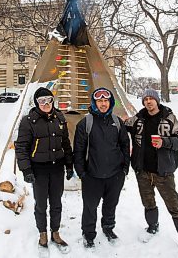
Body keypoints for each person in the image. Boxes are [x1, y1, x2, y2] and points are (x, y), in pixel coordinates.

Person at [124, 88, 178, 249]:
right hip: (142, 171)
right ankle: (152, 226)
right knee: (148, 202)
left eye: (151, 98)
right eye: (145, 99)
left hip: (163, 171)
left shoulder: (169, 117)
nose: (148, 101)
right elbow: (123, 125)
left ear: (157, 100)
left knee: (174, 207)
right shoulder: (139, 119)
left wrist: (165, 142)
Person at [15, 87, 74, 253]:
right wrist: (26, 170)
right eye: (42, 101)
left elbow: (66, 144)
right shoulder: (28, 121)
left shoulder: (60, 117)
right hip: (38, 170)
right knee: (41, 204)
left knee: (56, 203)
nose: (46, 104)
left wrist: (69, 165)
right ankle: (42, 233)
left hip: (57, 168)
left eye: (48, 100)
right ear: (37, 103)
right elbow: (21, 147)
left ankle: (55, 232)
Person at [73, 87, 130, 248]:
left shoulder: (117, 121)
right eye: (100, 101)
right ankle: (89, 233)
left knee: (110, 205)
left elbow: (125, 145)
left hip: (115, 175)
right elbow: (78, 150)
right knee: (90, 207)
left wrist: (125, 168)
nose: (103, 104)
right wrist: (82, 172)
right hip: (92, 175)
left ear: (110, 102)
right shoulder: (86, 123)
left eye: (106, 101)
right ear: (94, 102)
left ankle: (108, 228)